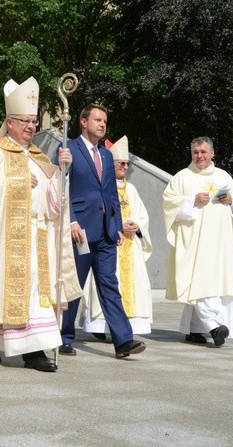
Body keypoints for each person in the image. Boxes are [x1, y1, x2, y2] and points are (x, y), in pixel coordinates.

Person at [0, 77, 81, 372]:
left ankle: (33, 351)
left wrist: (61, 172)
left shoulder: (39, 156)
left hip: (36, 235)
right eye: (24, 121)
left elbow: (55, 204)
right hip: (2, 239)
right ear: (9, 122)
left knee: (36, 291)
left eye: (33, 122)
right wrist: (19, 182)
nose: (30, 127)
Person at [57, 104, 145, 359]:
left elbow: (110, 192)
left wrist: (116, 226)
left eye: (105, 120)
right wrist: (71, 221)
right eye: (97, 119)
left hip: (106, 233)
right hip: (80, 231)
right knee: (74, 286)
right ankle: (64, 337)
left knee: (109, 285)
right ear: (83, 122)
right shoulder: (67, 149)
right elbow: (60, 187)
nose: (102, 124)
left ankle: (123, 341)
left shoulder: (106, 155)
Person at [163, 136, 233, 347]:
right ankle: (215, 325)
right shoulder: (182, 177)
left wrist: (231, 200)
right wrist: (192, 200)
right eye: (195, 152)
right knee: (199, 281)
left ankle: (193, 330)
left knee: (216, 282)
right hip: (196, 244)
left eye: (203, 152)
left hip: (220, 244)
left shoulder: (223, 176)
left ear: (212, 153)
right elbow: (169, 203)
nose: (199, 156)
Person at [80, 136, 154, 337]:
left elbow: (143, 215)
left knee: (131, 286)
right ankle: (99, 328)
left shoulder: (131, 189)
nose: (125, 167)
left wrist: (136, 225)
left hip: (130, 245)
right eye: (121, 163)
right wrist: (117, 225)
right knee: (107, 284)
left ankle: (128, 329)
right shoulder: (101, 185)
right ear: (111, 165)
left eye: (127, 164)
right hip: (108, 242)